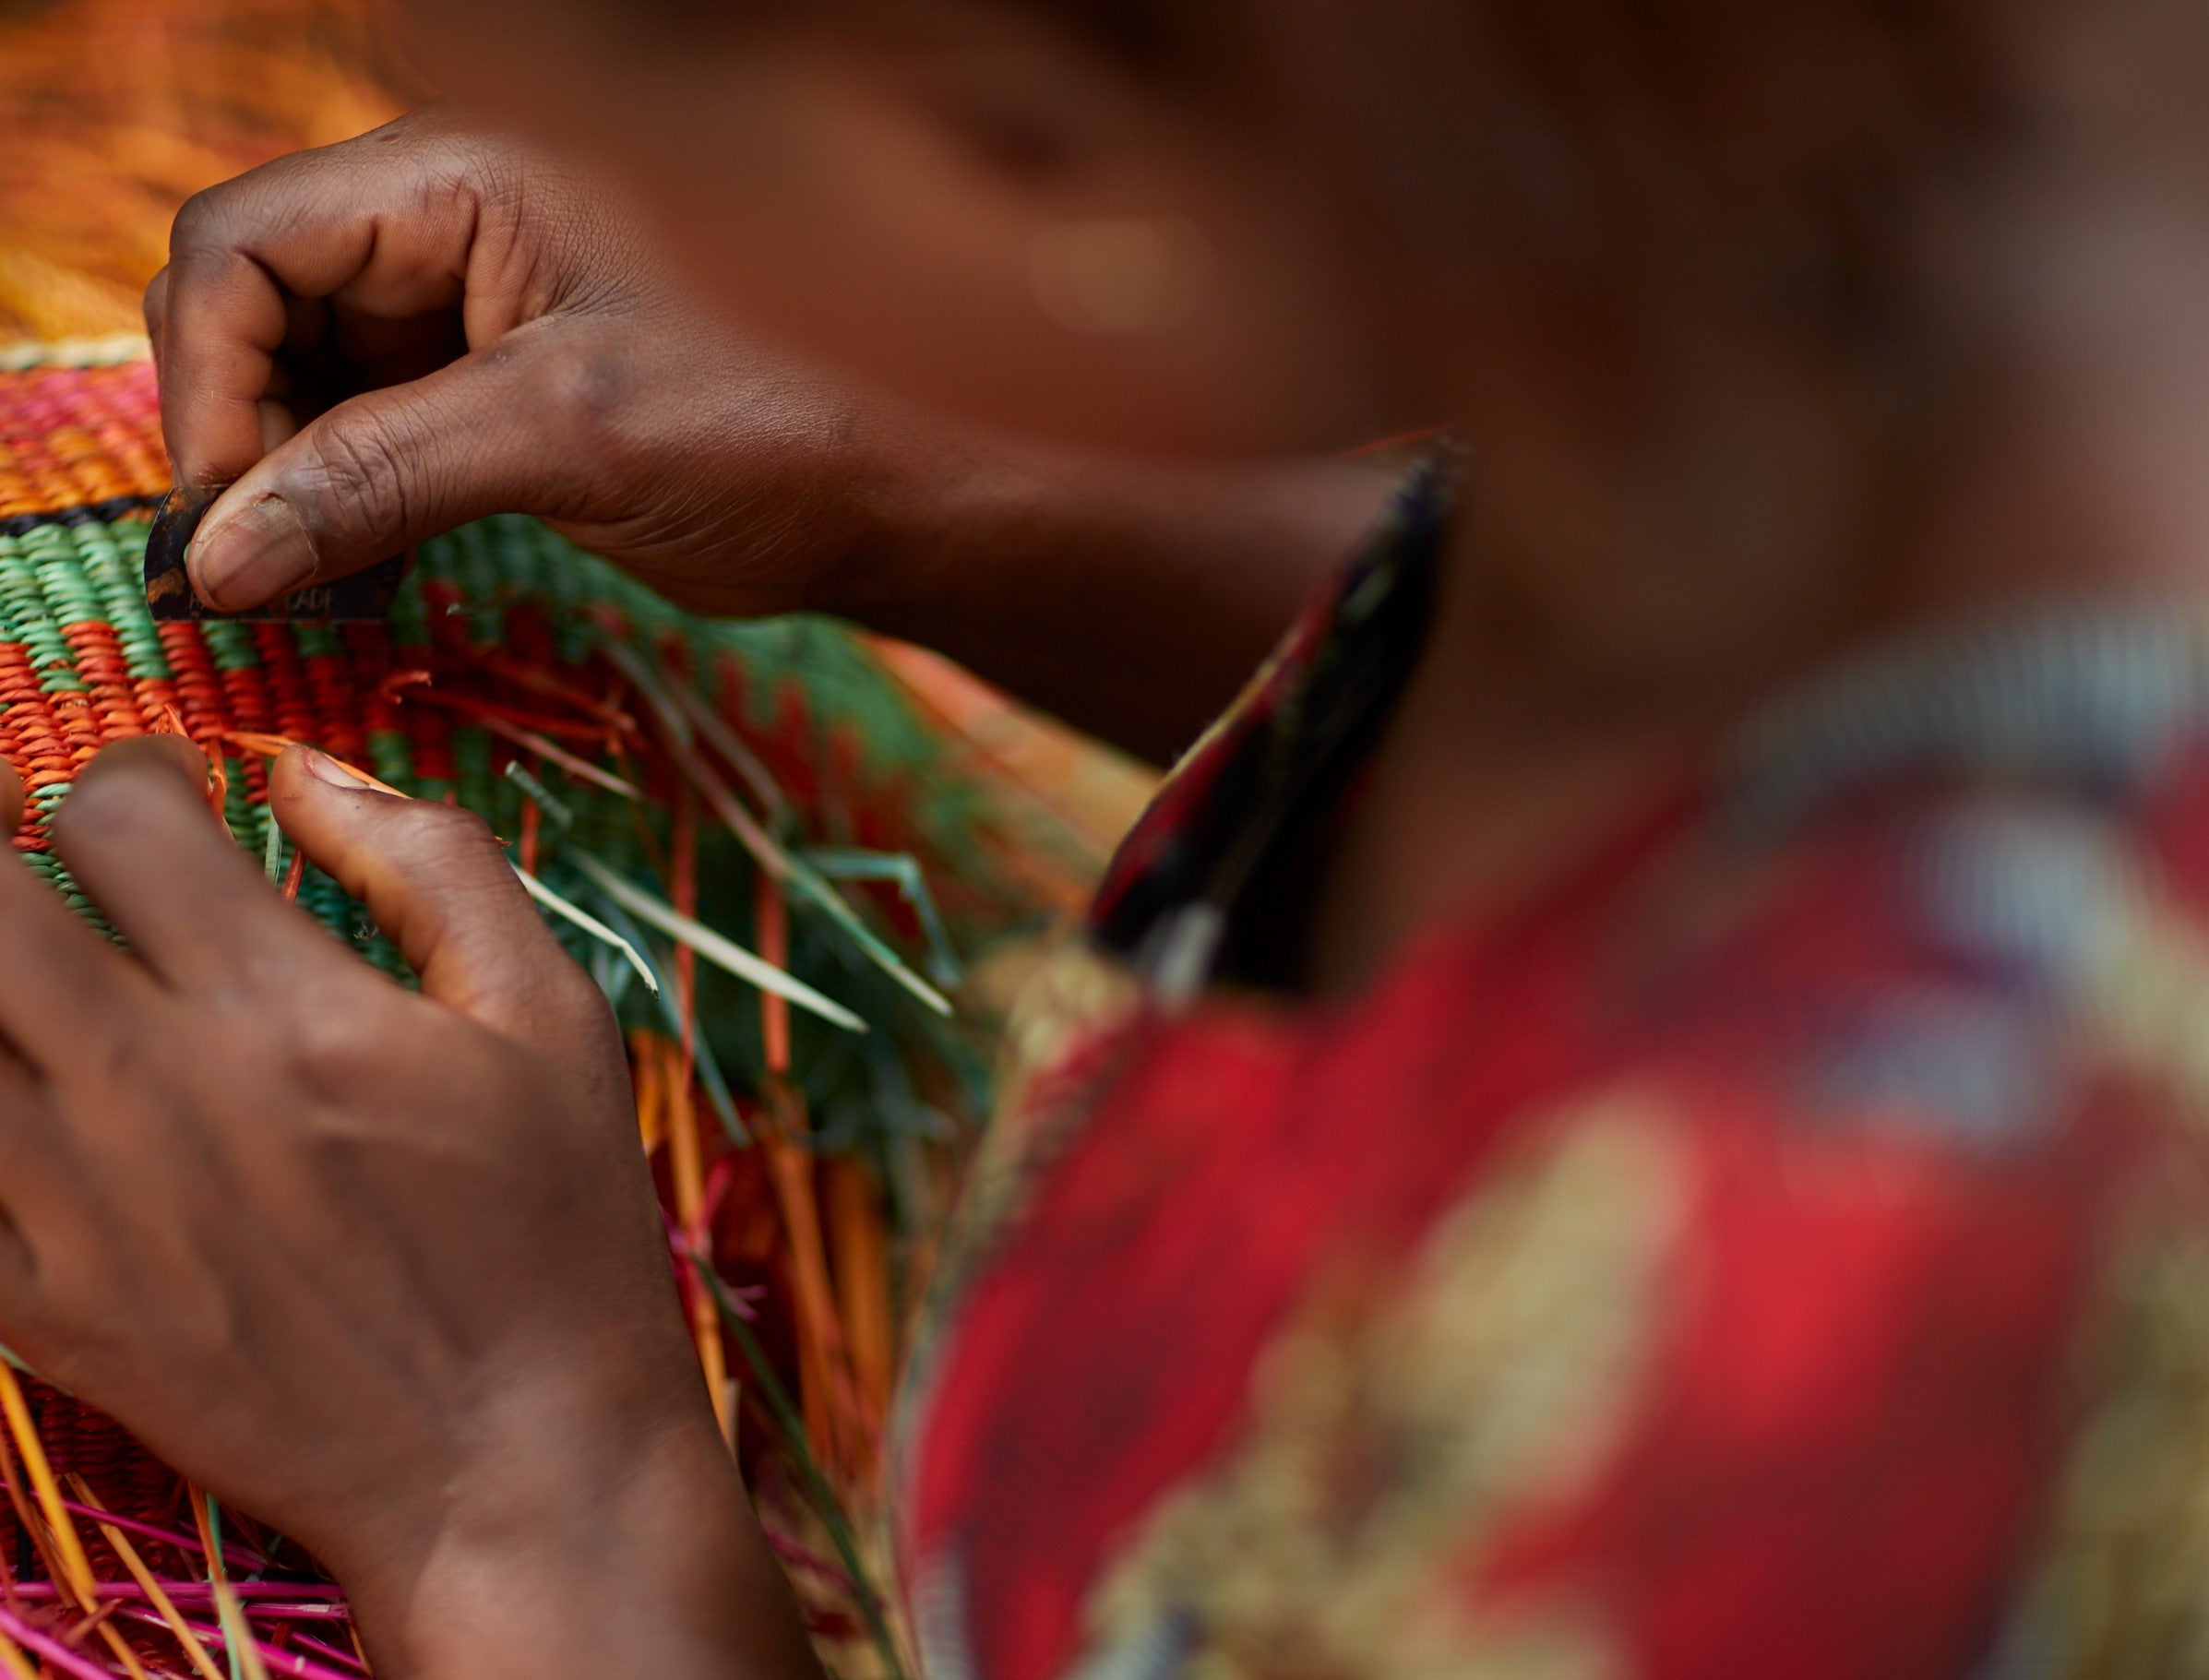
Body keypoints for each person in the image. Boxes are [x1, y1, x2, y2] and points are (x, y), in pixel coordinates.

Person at [5, 0, 2209, 1674]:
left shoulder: (1845, 1353)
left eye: (661, 172)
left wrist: (528, 1502)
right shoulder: (1893, 298)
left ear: (1028, 140)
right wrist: (959, 474)